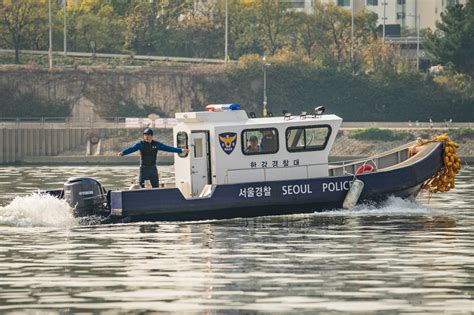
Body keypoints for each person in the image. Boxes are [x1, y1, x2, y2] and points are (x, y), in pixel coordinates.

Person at [118, 128, 189, 188]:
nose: (146, 137)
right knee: (141, 186)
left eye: (148, 135)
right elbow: (132, 149)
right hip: (144, 168)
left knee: (156, 187)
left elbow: (168, 148)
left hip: (153, 169)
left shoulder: (156, 144)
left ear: (151, 136)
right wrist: (123, 152)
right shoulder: (141, 144)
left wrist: (180, 150)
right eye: (145, 135)